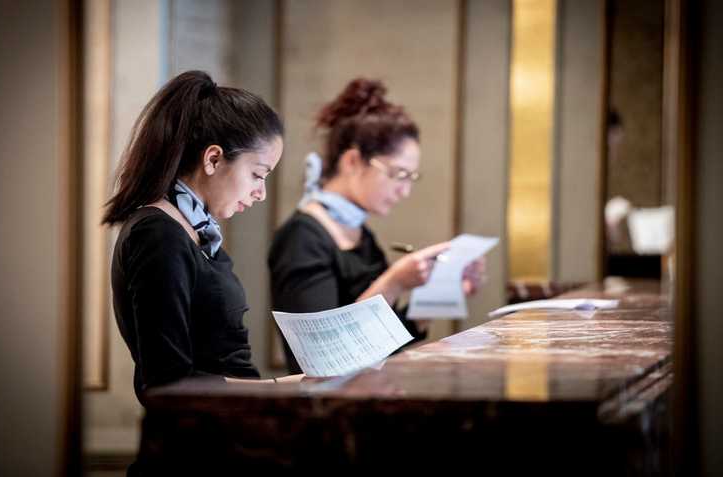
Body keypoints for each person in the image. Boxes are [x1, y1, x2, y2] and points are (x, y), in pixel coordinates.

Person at [268, 78, 485, 374]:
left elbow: (374, 346)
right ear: (353, 161)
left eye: (411, 178)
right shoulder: (302, 237)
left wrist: (438, 293)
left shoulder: (362, 234)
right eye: (398, 174)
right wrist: (395, 281)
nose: (404, 191)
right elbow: (319, 360)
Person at [102, 70, 291, 407]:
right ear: (213, 158)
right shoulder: (158, 235)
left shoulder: (191, 228)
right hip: (195, 445)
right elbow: (167, 382)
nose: (260, 193)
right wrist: (281, 387)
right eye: (257, 175)